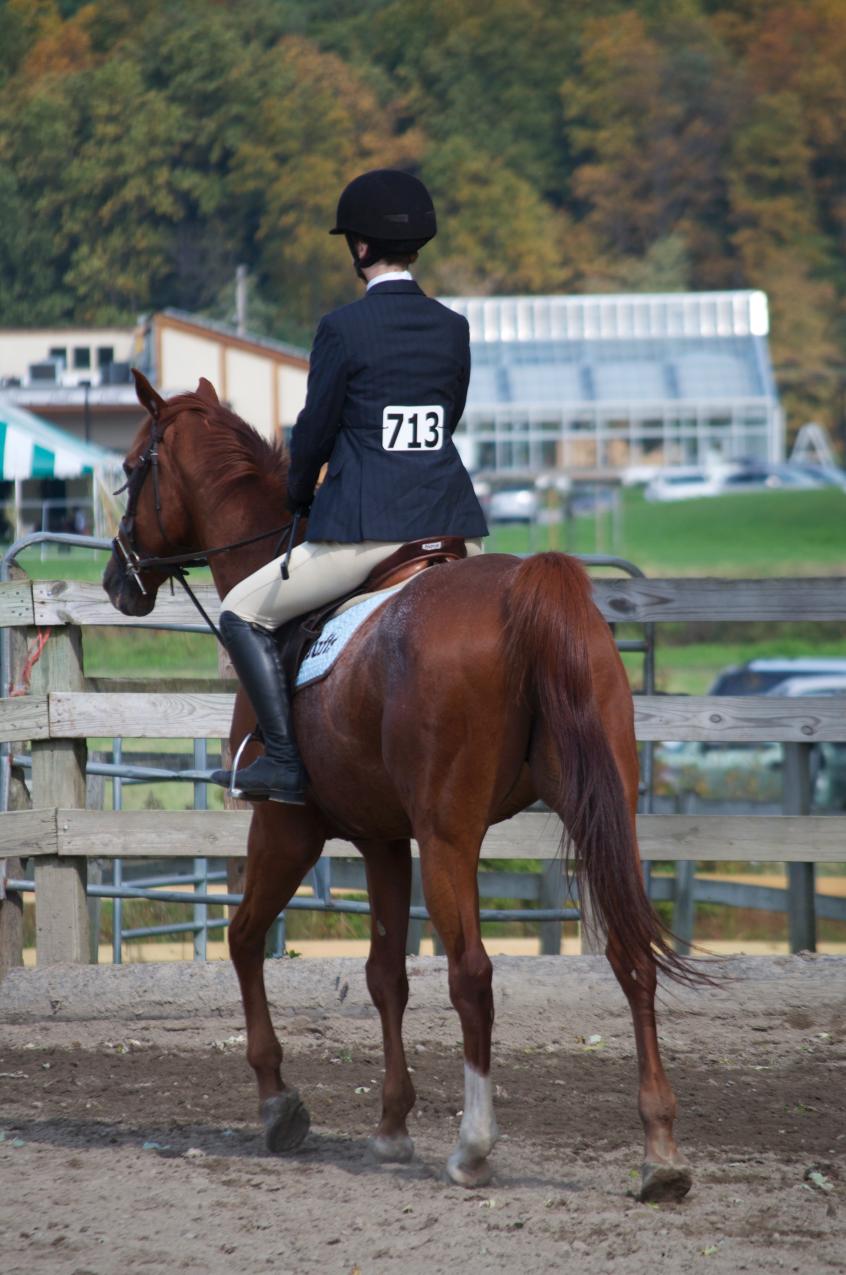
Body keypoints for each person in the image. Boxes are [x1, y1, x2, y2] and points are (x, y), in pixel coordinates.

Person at [210, 169, 488, 804]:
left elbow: (313, 433)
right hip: (450, 530)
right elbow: (447, 415)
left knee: (240, 613)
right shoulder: (453, 328)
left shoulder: (342, 329)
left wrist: (300, 494)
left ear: (360, 249)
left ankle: (282, 761)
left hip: (369, 534)